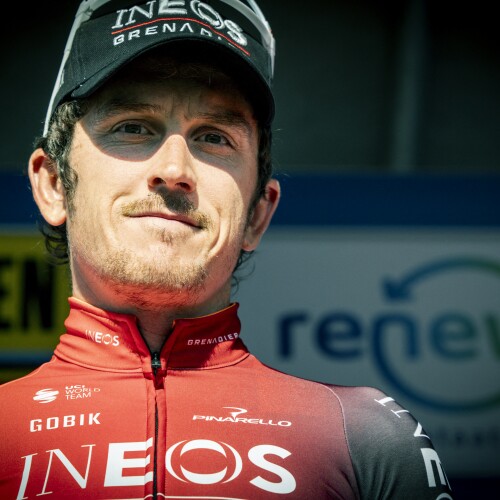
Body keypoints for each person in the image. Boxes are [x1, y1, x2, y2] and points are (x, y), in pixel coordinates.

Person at [0, 1, 454, 498]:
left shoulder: (367, 439)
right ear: (54, 185)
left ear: (258, 212)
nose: (174, 170)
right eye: (132, 126)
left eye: (214, 137)